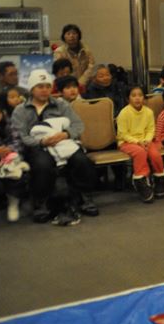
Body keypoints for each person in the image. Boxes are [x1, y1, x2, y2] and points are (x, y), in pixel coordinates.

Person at [11, 70, 98, 226]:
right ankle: (41, 204)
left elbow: (78, 125)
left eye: (47, 86)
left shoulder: (61, 105)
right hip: (36, 147)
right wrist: (41, 142)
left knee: (81, 160)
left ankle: (85, 198)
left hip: (62, 142)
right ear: (32, 89)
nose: (44, 90)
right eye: (40, 86)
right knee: (42, 164)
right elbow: (20, 136)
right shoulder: (21, 110)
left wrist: (65, 134)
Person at [116, 86, 164, 202]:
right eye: (133, 95)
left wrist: (147, 140)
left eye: (140, 95)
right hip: (127, 142)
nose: (137, 98)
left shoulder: (148, 112)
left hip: (145, 141)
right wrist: (138, 142)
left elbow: (151, 129)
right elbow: (123, 134)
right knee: (140, 152)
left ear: (144, 97)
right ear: (128, 98)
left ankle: (159, 180)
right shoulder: (124, 113)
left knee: (155, 154)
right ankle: (141, 182)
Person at [0, 98, 29, 225]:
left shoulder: (7, 122)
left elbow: (18, 141)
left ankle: (13, 204)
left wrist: (8, 149)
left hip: (8, 156)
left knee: (14, 172)